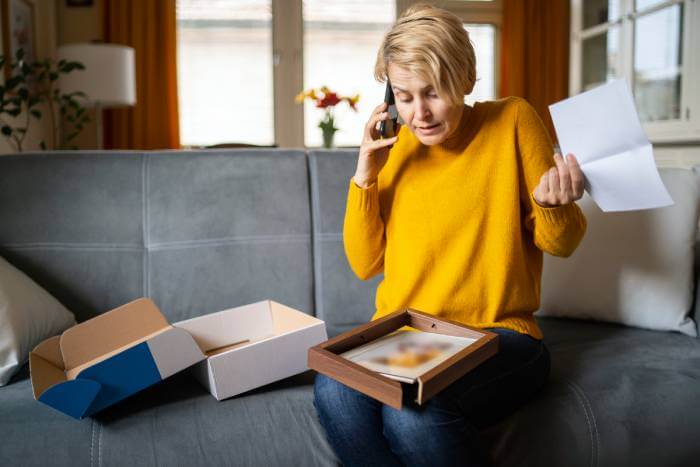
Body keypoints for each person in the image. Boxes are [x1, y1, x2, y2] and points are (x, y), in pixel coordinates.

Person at [313, 4, 587, 467]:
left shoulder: (513, 121)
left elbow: (563, 243)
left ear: (466, 79)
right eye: (403, 96)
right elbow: (364, 264)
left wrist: (553, 205)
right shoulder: (393, 148)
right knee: (334, 391)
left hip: (501, 336)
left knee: (414, 413)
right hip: (410, 336)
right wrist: (364, 177)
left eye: (433, 93)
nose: (419, 113)